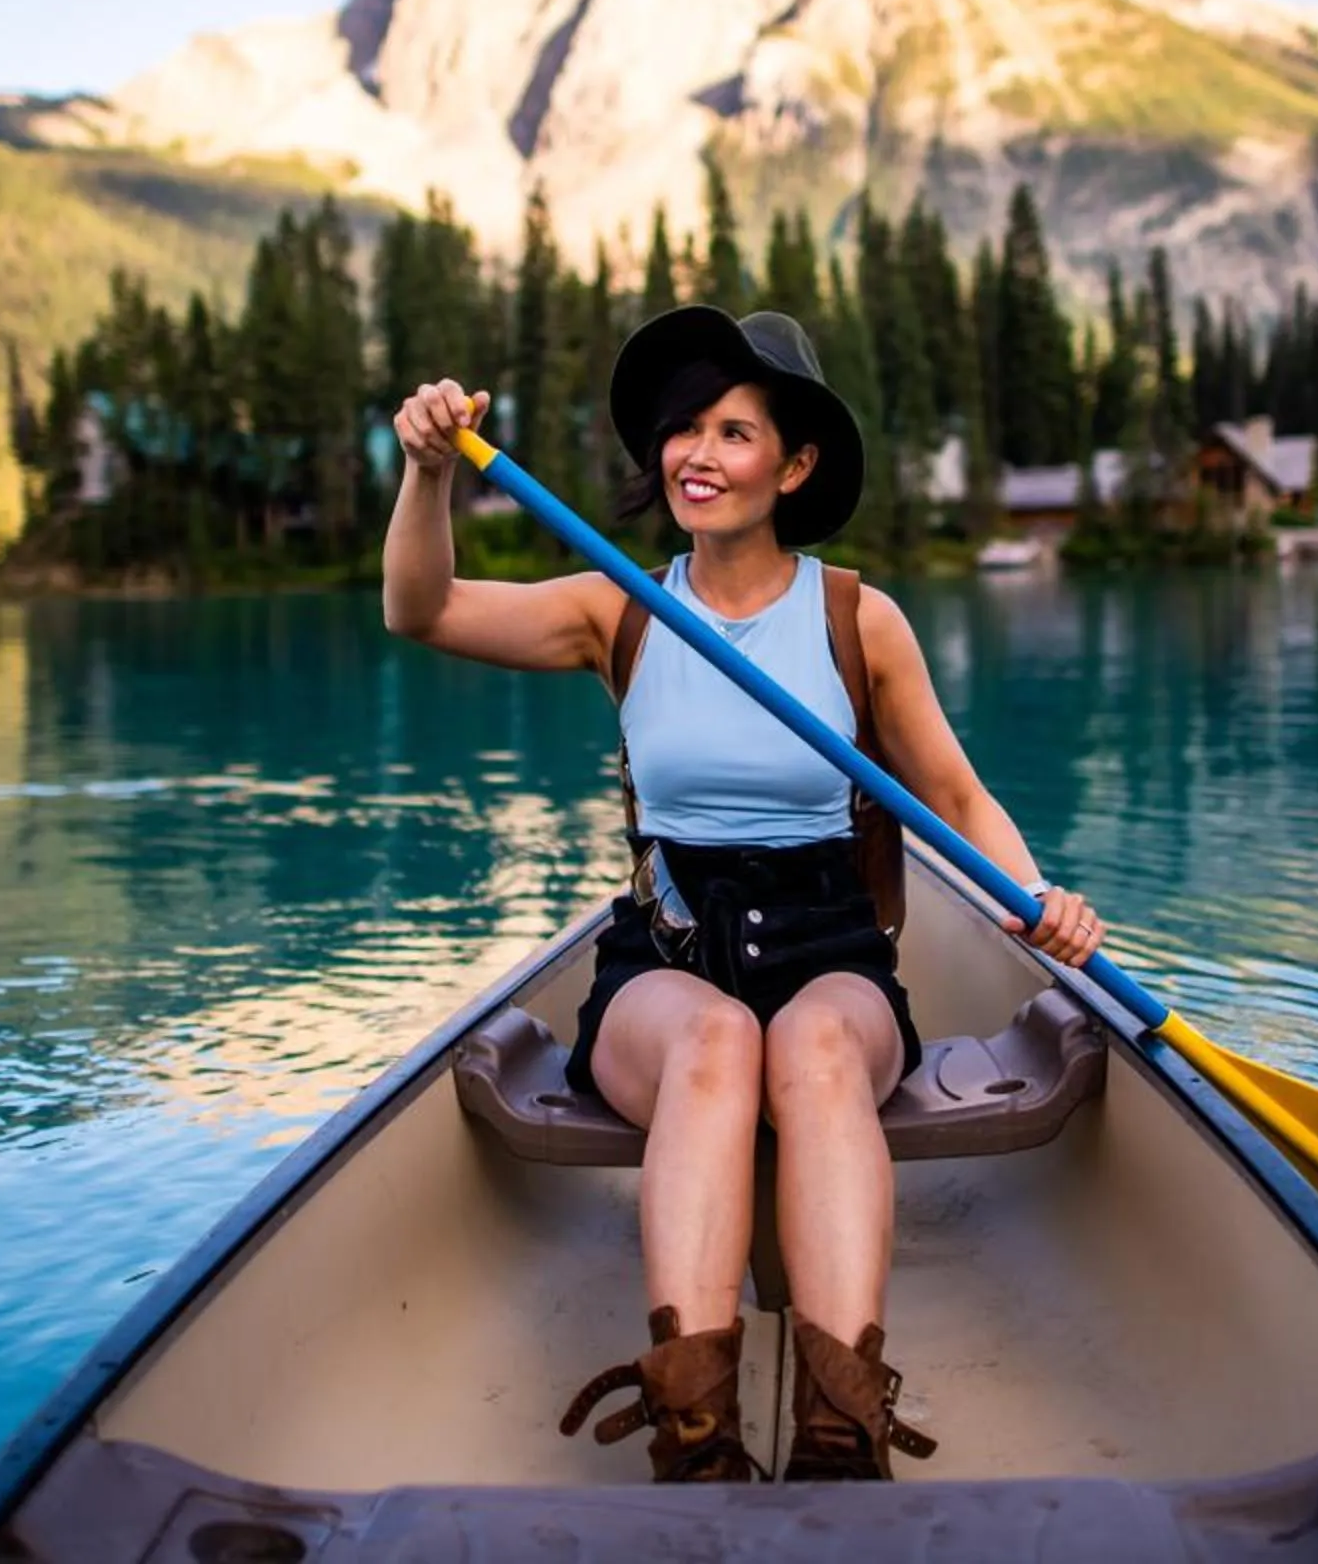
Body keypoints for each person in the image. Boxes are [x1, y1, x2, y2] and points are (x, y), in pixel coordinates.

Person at [382, 304, 1105, 1484]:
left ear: (796, 463)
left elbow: (962, 806)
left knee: (816, 1052)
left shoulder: (855, 617)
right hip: (667, 956)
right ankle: (696, 1428)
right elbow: (422, 608)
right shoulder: (615, 603)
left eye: (733, 430)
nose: (697, 455)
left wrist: (1040, 901)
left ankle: (839, 1425)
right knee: (716, 1044)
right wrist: (424, 474)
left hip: (830, 942)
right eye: (682, 431)